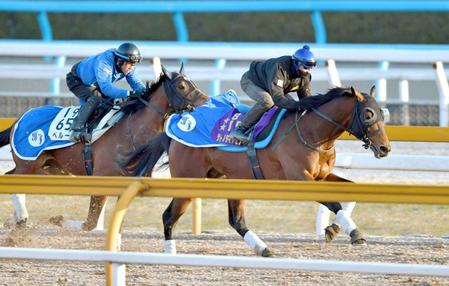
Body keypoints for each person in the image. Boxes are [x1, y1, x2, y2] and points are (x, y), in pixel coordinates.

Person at [229, 45, 316, 144]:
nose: (307, 71)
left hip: (270, 85)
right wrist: (296, 105)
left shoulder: (305, 76)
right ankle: (239, 129)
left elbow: (306, 100)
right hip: (251, 81)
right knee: (267, 102)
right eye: (305, 67)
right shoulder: (280, 68)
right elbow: (278, 98)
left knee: (293, 106)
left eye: (310, 67)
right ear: (296, 63)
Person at [66, 42, 146, 142]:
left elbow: (137, 84)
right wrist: (129, 93)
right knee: (96, 99)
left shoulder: (127, 65)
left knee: (112, 103)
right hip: (77, 81)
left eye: (133, 65)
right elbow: (106, 88)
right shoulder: (105, 62)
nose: (132, 68)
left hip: (95, 83)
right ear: (120, 61)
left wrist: (146, 94)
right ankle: (76, 130)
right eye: (130, 64)